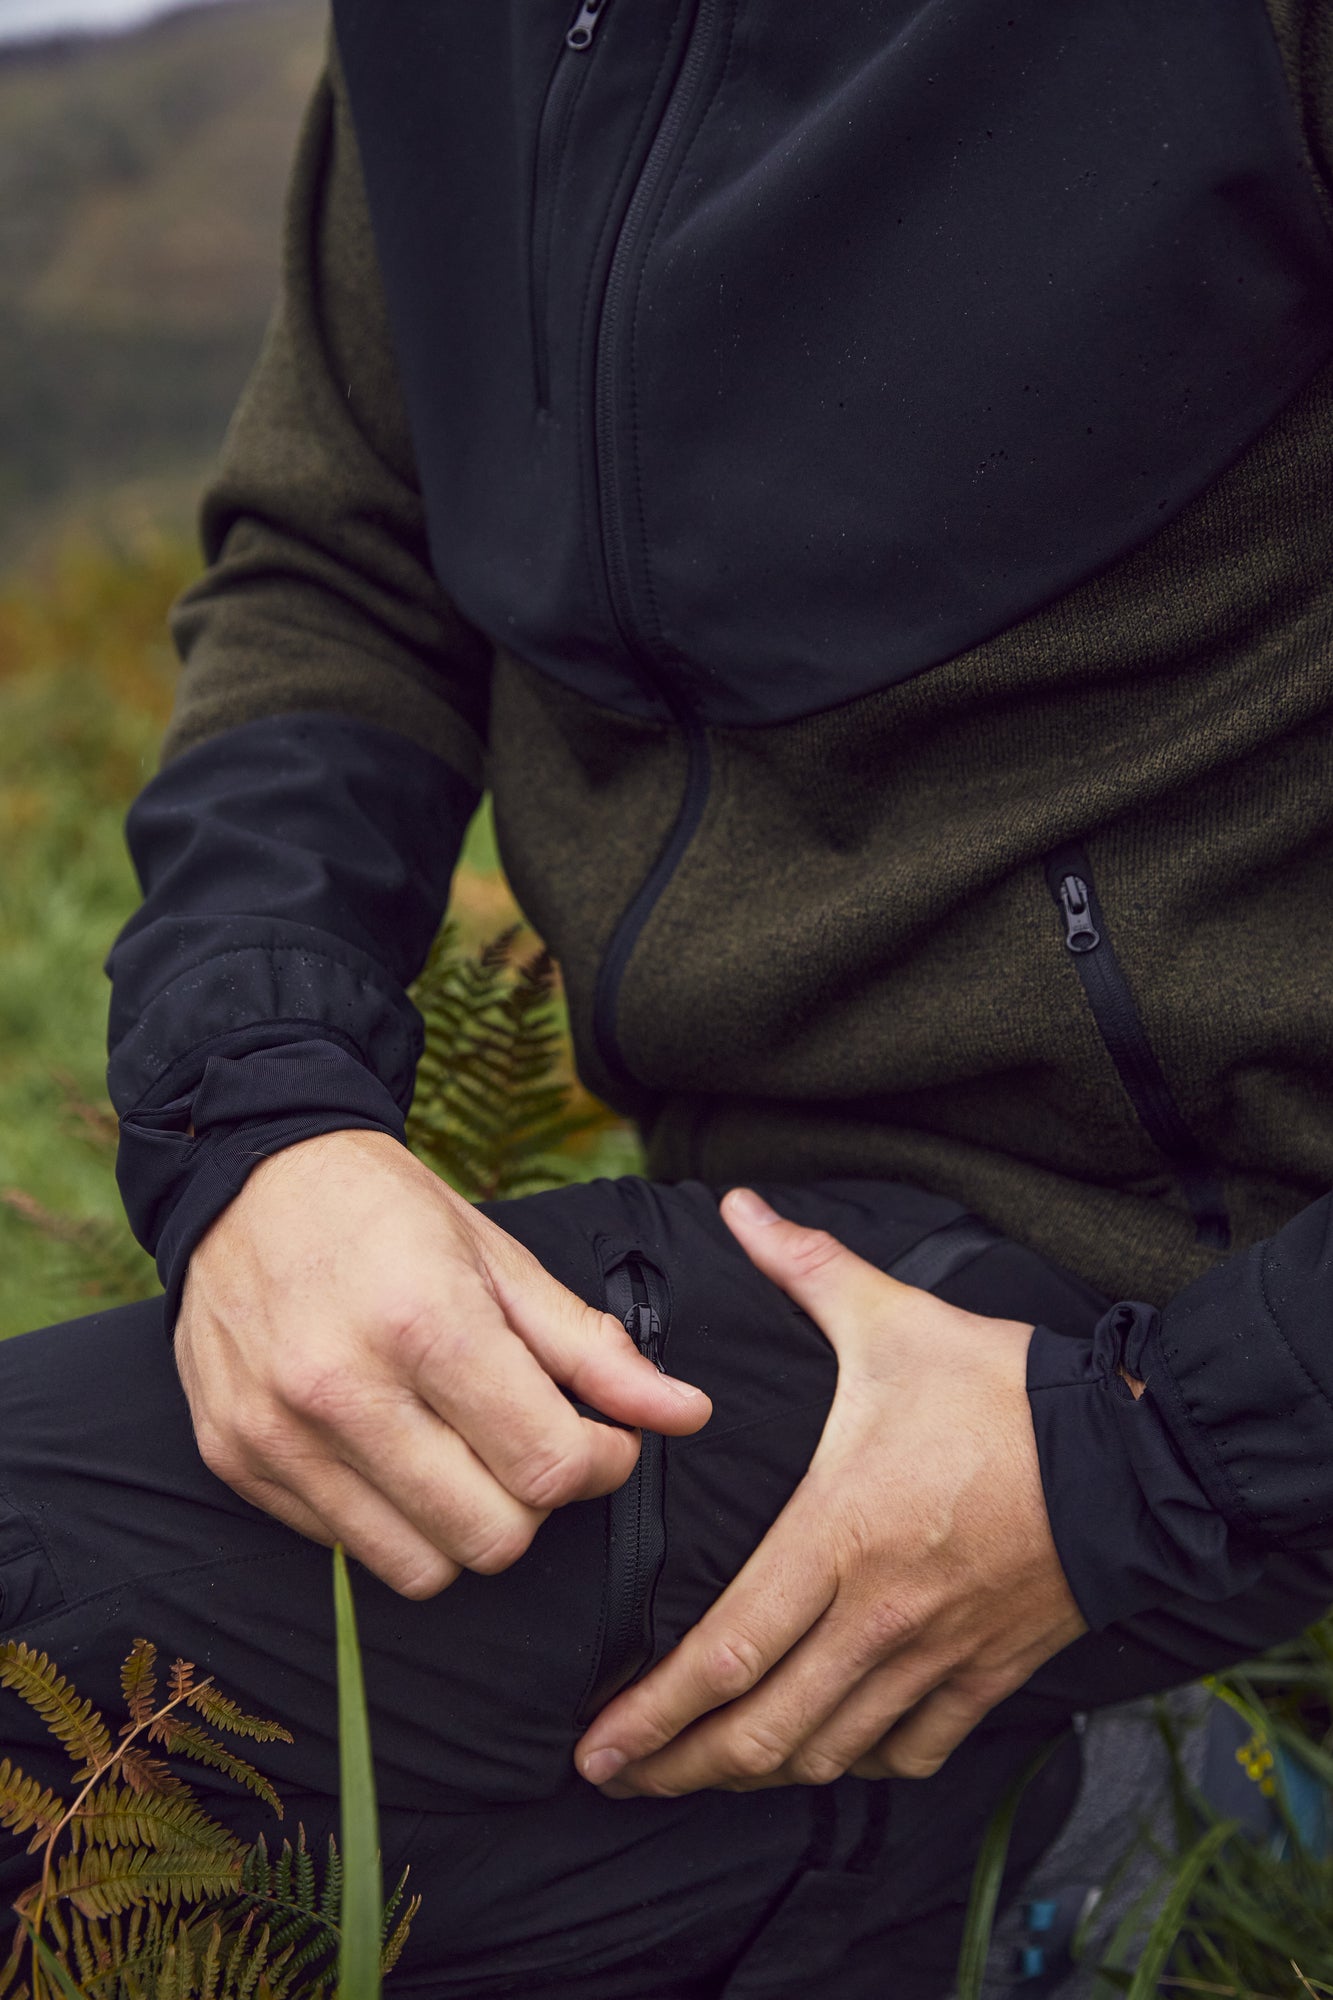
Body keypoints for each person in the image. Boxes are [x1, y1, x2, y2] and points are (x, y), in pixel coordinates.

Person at [5, 0, 1333, 1991]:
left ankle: (1074, 1797)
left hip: (1191, 1289)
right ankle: (1003, 1820)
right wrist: (260, 1117)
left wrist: (1157, 1459)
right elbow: (340, 569)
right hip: (769, 1271)